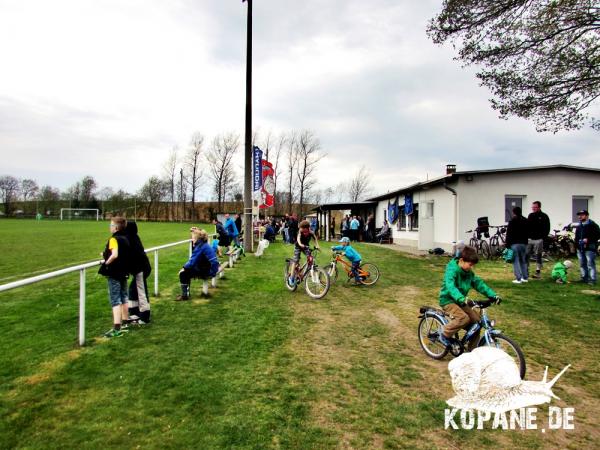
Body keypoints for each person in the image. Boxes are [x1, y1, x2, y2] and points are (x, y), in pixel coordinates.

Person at [438, 246, 500, 349]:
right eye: (470, 265)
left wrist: (493, 295)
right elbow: (451, 287)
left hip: (461, 301)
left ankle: (473, 350)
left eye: (473, 265)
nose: (472, 267)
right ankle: (444, 334)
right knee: (463, 318)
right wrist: (462, 298)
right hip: (448, 300)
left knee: (477, 321)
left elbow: (479, 284)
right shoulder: (452, 270)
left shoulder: (469, 273)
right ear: (461, 260)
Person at [98, 216, 131, 338]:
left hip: (114, 273)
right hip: (124, 272)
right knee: (124, 296)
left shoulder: (113, 239)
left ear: (116, 227)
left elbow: (115, 255)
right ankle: (125, 322)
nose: (109, 227)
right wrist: (105, 254)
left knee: (115, 299)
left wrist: (106, 263)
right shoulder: (126, 239)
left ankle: (117, 327)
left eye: (111, 225)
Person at [177, 228, 220, 300]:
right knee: (188, 271)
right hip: (212, 268)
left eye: (193, 238)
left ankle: (185, 296)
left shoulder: (200, 247)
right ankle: (186, 294)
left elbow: (192, 261)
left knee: (183, 273)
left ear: (197, 238)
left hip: (209, 271)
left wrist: (183, 268)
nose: (192, 239)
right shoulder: (204, 244)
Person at [124, 221, 152, 324]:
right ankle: (134, 313)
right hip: (139, 269)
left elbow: (132, 256)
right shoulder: (133, 237)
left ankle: (145, 316)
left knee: (141, 292)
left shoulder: (131, 239)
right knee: (132, 290)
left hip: (141, 269)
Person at [288, 219, 320, 286]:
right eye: (303, 231)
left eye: (306, 231)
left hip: (306, 246)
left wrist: (317, 245)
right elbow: (298, 239)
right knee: (296, 260)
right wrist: (300, 244)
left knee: (310, 258)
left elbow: (315, 238)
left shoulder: (311, 232)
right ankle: (291, 278)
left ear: (308, 228)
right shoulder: (300, 231)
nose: (304, 233)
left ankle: (307, 272)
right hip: (298, 246)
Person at [574, 209, 600, 285]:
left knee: (590, 264)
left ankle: (592, 279)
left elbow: (597, 235)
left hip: (590, 248)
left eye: (582, 215)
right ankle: (584, 278)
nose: (580, 216)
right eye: (579, 215)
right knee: (582, 264)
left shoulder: (593, 225)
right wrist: (577, 244)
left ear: (587, 216)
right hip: (580, 248)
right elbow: (576, 237)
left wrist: (588, 240)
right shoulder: (579, 226)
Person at [527, 201, 551, 279]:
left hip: (539, 239)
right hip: (530, 239)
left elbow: (547, 228)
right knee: (527, 255)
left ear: (539, 207)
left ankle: (538, 272)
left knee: (538, 255)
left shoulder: (544, 216)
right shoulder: (530, 215)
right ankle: (526, 271)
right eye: (532, 207)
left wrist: (542, 238)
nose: (533, 209)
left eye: (535, 207)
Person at [505, 206, 529, 284]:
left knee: (516, 261)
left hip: (514, 243)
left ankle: (518, 278)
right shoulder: (525, 220)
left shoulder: (512, 221)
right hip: (524, 243)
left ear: (514, 212)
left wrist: (507, 244)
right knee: (523, 260)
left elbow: (508, 234)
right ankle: (525, 277)